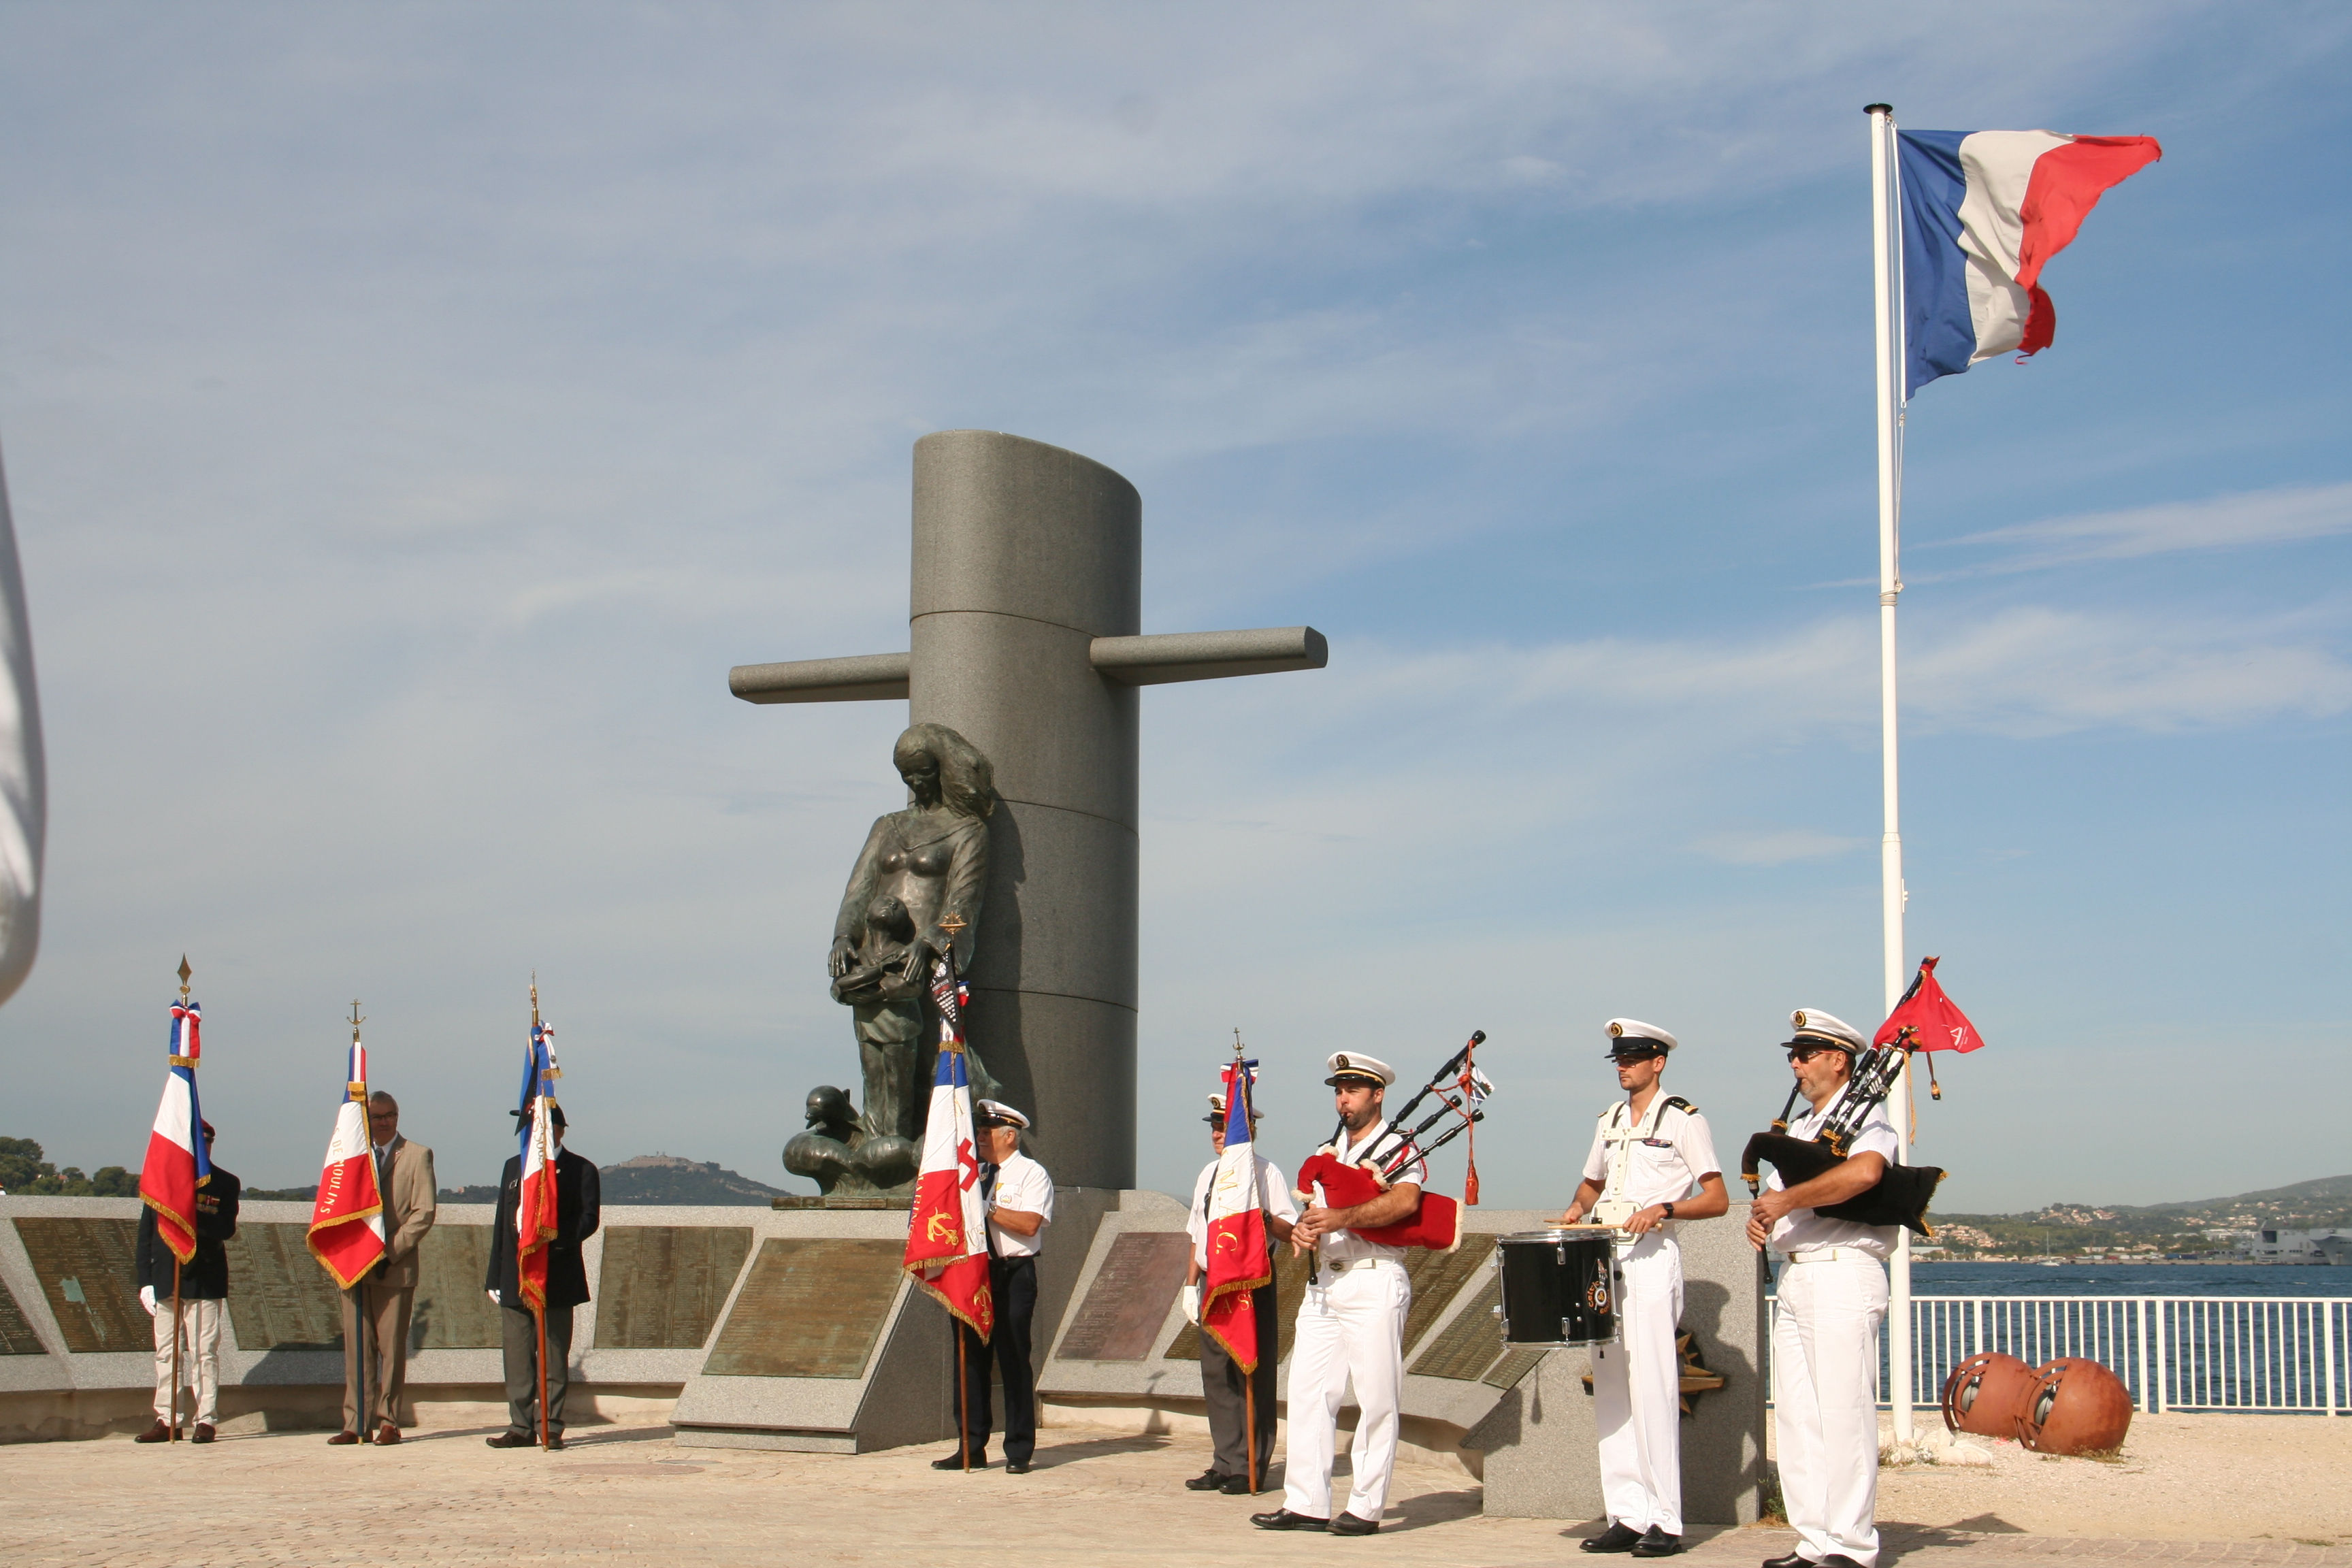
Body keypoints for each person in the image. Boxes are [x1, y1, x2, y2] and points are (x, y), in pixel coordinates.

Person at [1558, 1020, 1731, 1558]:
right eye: (1618, 1058)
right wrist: (1574, 1210)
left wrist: (1666, 1209)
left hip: (1651, 1258)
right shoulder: (1609, 1120)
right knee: (1610, 1388)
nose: (1623, 1065)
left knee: (1654, 1387)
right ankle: (1627, 1514)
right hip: (1602, 1261)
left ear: (1658, 1062)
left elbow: (1718, 1197)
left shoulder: (1682, 1120)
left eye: (1633, 1057)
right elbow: (1593, 1181)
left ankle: (1666, 1519)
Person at [1744, 1009, 1898, 1568]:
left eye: (1806, 1054)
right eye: (1794, 1054)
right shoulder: (1805, 1129)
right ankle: (1814, 1541)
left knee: (1843, 1411)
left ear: (1839, 1059)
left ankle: (1852, 1545)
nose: (1796, 1064)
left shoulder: (1865, 1119)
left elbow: (1865, 1175)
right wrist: (1766, 1220)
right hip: (1799, 1272)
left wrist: (1785, 1200)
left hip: (1843, 1269)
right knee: (1798, 1415)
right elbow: (1787, 1199)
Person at [1252, 1053, 1425, 1537]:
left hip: (1374, 1275)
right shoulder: (1326, 1151)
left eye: (1352, 1090)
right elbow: (1313, 1213)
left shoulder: (1398, 1146)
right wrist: (1303, 1232)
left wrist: (1343, 1218)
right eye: (1338, 1090)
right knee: (1308, 1394)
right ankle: (1306, 1502)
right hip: (1325, 1280)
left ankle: (1366, 1507)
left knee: (1375, 1398)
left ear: (1377, 1094)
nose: (1343, 1099)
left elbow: (1405, 1200)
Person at [1182, 1091, 1297, 1496]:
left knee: (1253, 1373)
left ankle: (1251, 1464)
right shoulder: (1207, 1176)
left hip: (1251, 1282)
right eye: (1214, 1127)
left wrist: (1261, 1215)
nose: (1218, 1134)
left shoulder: (1266, 1174)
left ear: (1246, 1132)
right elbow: (1198, 1235)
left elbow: (1289, 1228)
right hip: (1215, 1284)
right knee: (1216, 1375)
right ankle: (1224, 1459)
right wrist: (1189, 1284)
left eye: (1224, 1127)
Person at [934, 1098, 1051, 1473]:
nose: (980, 1138)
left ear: (1010, 1136)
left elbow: (1030, 1225)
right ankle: (970, 1445)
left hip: (1012, 1273)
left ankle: (1018, 1449)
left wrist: (983, 1206)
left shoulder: (1032, 1174)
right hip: (973, 1272)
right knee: (969, 1359)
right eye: (979, 1131)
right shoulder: (975, 1173)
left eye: (986, 1132)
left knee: (1014, 1358)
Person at [484, 1103, 602, 1451]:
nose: (534, 1133)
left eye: (543, 1127)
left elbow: (588, 1219)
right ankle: (520, 1426)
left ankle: (549, 1425)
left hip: (556, 1274)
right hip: (514, 1276)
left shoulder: (581, 1169)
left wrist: (548, 1237)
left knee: (552, 1355)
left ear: (561, 1129)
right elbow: (502, 1227)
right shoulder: (513, 1167)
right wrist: (494, 1276)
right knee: (517, 1357)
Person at [332, 1090, 436, 1446]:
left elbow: (424, 1213)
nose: (386, 1121)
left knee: (391, 1349)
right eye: (378, 1117)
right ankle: (355, 1422)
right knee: (357, 1349)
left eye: (391, 1115)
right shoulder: (351, 1157)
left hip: (394, 1268)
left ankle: (389, 1420)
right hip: (355, 1268)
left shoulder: (418, 1156)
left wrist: (387, 1251)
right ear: (366, 1120)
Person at [133, 1120, 240, 1443]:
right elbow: (146, 1235)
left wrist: (188, 1217)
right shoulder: (162, 1181)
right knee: (167, 1353)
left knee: (204, 1352)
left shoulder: (224, 1183)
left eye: (206, 1141)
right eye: (196, 1141)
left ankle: (205, 1419)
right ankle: (167, 1418)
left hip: (204, 1278)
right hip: (167, 1276)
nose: (201, 1147)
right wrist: (145, 1281)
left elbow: (225, 1229)